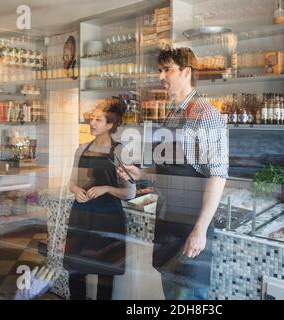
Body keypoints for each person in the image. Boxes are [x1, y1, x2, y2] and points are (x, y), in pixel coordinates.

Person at [117, 47, 228, 300]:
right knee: (170, 292)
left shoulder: (206, 115)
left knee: (187, 296)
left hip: (190, 222)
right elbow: (168, 171)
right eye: (160, 70)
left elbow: (218, 175)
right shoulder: (173, 114)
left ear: (186, 72)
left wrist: (200, 230)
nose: (161, 76)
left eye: (167, 70)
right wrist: (139, 173)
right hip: (168, 221)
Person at [64, 101, 135, 300]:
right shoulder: (81, 149)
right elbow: (71, 182)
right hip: (81, 216)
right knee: (76, 271)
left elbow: (130, 192)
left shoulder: (120, 151)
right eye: (91, 119)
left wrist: (106, 188)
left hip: (107, 218)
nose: (91, 123)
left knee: (105, 273)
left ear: (110, 125)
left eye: (98, 119)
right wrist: (76, 189)